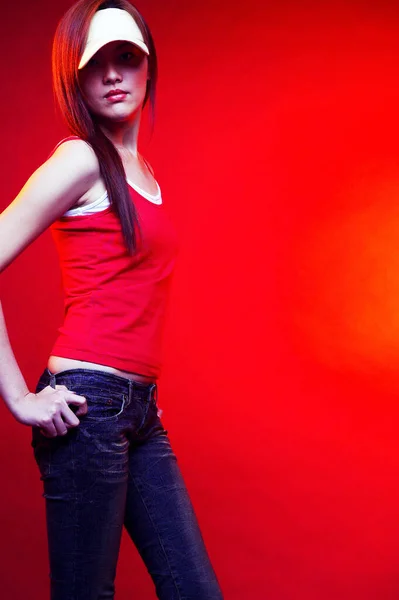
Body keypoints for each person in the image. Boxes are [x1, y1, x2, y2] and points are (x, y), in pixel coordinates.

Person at [0, 1, 224, 598]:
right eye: (97, 62)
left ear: (149, 68)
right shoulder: (79, 158)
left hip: (141, 411)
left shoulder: (143, 170)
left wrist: (139, 398)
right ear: (75, 75)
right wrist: (19, 395)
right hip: (87, 409)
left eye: (127, 57)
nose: (114, 74)